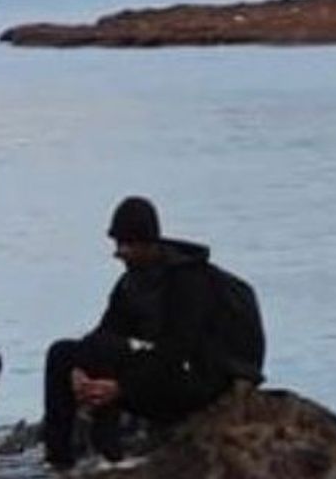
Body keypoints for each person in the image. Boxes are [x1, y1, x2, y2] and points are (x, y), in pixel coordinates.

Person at [42, 197, 263, 471]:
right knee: (62, 353)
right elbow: (105, 333)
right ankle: (58, 460)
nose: (120, 252)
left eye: (127, 245)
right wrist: (78, 370)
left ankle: (109, 455)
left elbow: (175, 352)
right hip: (159, 368)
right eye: (118, 244)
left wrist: (121, 388)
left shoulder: (188, 281)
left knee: (108, 352)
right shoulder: (131, 283)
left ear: (148, 243)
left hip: (202, 377)